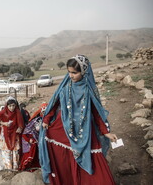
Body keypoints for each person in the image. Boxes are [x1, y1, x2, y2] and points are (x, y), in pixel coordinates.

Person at [39, 55, 118, 185]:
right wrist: (46, 119)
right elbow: (54, 104)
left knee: (95, 163)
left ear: (84, 71)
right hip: (63, 128)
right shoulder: (65, 87)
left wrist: (106, 132)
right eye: (69, 72)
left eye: (74, 73)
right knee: (63, 161)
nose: (71, 76)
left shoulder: (89, 90)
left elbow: (96, 113)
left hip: (85, 131)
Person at [0, 96, 24, 170]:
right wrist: (4, 123)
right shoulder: (3, 112)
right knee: (6, 152)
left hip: (15, 134)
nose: (12, 107)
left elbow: (21, 124)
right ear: (7, 106)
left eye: (13, 105)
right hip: (5, 135)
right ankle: (8, 168)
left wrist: (19, 128)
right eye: (10, 106)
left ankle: (15, 168)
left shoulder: (17, 112)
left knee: (15, 152)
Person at [19, 102, 48, 171]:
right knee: (32, 151)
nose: (45, 114)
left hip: (42, 140)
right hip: (31, 139)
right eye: (43, 112)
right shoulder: (36, 120)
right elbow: (26, 132)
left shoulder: (50, 119)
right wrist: (30, 139)